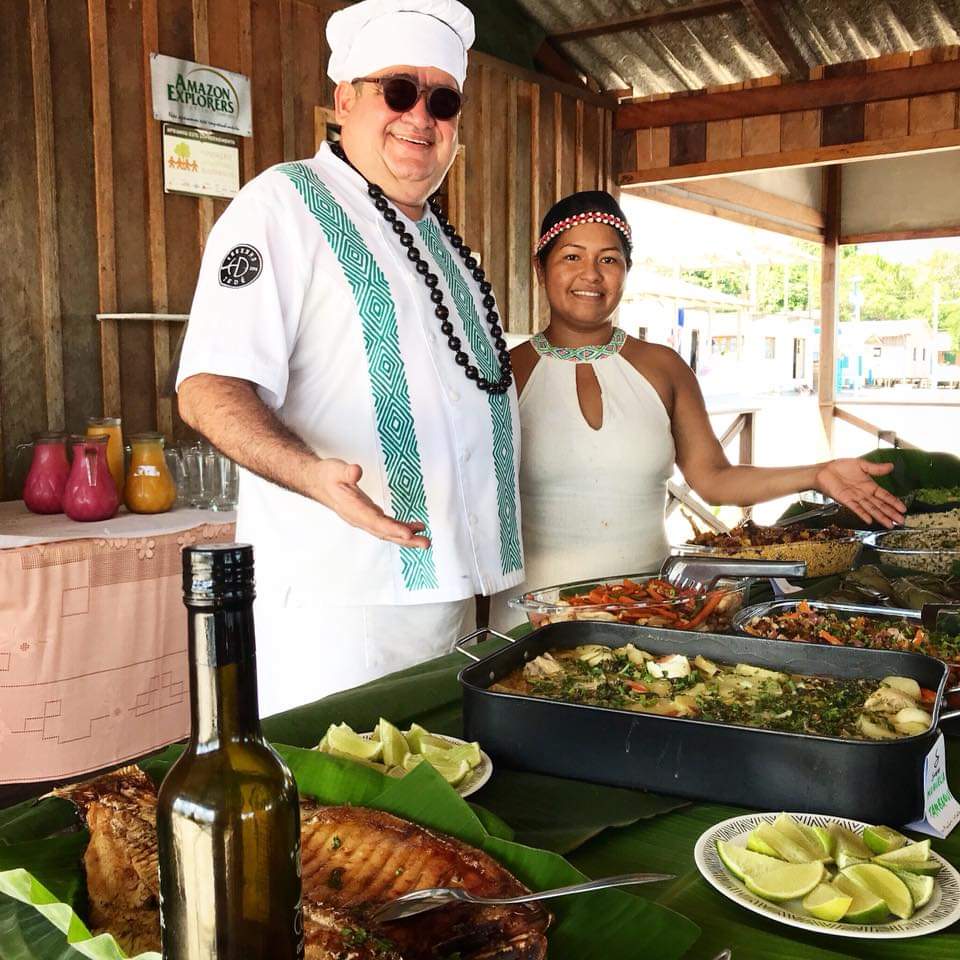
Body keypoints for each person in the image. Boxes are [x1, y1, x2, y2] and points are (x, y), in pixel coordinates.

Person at [176, 0, 523, 716]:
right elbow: (209, 384)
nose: (419, 116)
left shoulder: (444, 245)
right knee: (347, 814)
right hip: (339, 603)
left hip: (452, 599)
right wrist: (309, 472)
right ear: (344, 100)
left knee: (434, 806)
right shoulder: (282, 204)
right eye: (398, 90)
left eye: (443, 100)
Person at [489, 190, 905, 630]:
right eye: (572, 257)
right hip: (531, 617)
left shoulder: (663, 366)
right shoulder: (503, 373)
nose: (591, 274)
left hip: (651, 613)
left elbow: (714, 479)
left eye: (609, 259)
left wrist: (816, 473)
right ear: (540, 267)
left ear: (627, 271)